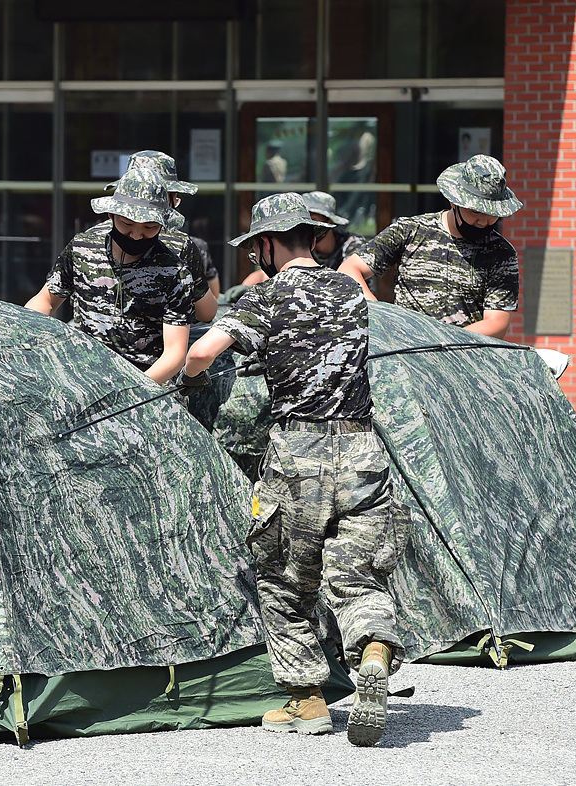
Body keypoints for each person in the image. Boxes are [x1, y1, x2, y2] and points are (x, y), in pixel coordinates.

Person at [182, 192, 407, 746]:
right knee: (358, 574)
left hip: (295, 457)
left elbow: (204, 353)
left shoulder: (262, 299)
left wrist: (189, 373)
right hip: (362, 452)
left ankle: (306, 701)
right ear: (316, 238)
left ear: (265, 243)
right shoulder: (351, 294)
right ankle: (373, 649)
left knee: (284, 580)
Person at [26, 168, 197, 385]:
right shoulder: (82, 249)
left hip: (148, 387)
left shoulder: (175, 272)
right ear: (111, 215)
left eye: (149, 227)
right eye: (127, 224)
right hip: (84, 379)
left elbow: (175, 353)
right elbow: (46, 301)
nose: (136, 235)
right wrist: (22, 337)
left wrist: (134, 391)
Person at [340, 154, 522, 339]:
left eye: (492, 214)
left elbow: (496, 323)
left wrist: (440, 342)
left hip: (467, 358)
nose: (483, 221)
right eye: (475, 211)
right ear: (454, 201)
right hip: (406, 354)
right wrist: (383, 318)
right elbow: (349, 269)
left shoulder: (501, 253)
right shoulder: (410, 231)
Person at [103, 150, 220, 316]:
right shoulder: (182, 245)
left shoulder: (90, 238)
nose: (137, 235)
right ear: (172, 198)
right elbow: (207, 313)